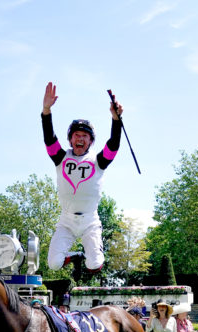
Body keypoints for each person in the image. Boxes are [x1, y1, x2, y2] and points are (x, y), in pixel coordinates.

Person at [41, 81, 123, 281]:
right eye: (77, 135)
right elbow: (49, 138)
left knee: (94, 264)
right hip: (66, 220)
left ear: (91, 141)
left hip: (90, 221)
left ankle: (87, 257)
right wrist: (46, 111)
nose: (80, 138)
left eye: (85, 136)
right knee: (53, 264)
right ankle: (75, 256)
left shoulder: (98, 160)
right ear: (70, 139)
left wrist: (116, 119)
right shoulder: (60, 157)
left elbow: (113, 144)